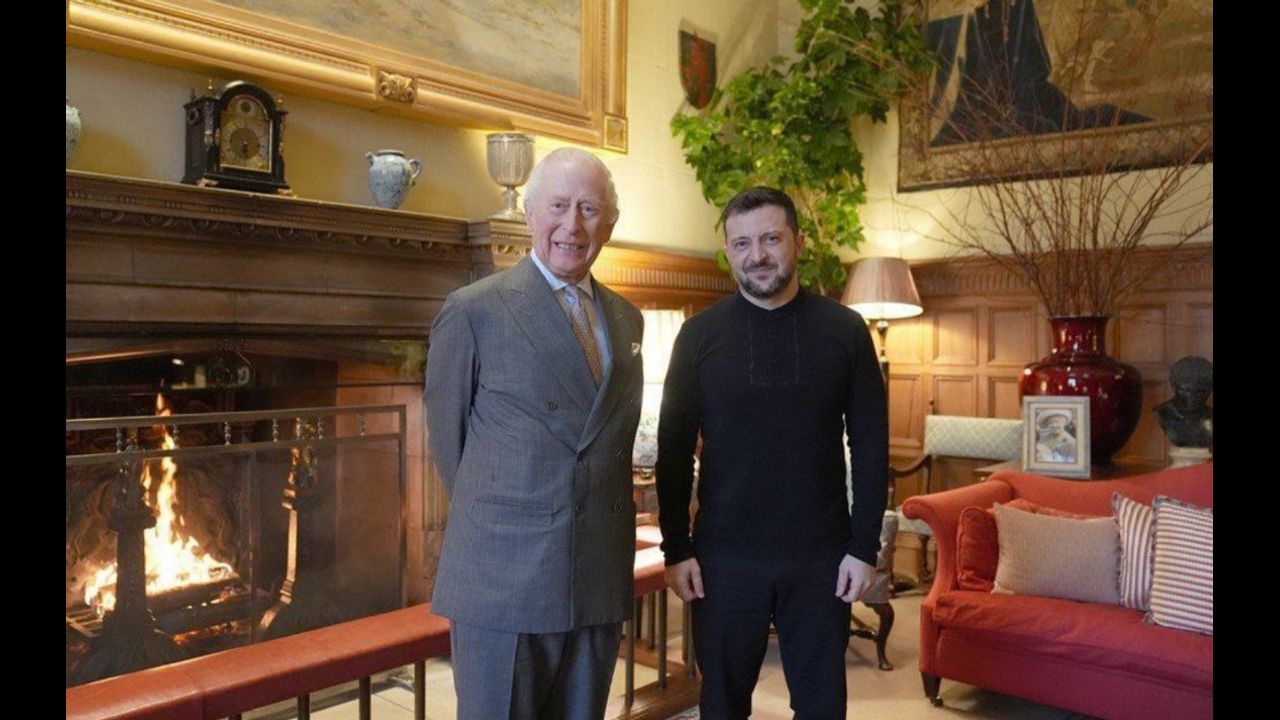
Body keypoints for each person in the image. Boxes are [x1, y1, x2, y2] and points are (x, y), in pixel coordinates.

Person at [424, 147, 645, 720]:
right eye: (558, 206)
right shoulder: (474, 310)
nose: (573, 225)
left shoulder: (628, 318)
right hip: (505, 576)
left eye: (589, 209)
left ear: (610, 223)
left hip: (597, 573)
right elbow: (450, 445)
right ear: (529, 214)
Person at [655, 186, 888, 720]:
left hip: (822, 559)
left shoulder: (846, 331)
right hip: (722, 560)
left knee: (822, 707)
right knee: (721, 705)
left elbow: (871, 446)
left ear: (798, 243)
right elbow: (673, 450)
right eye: (741, 243)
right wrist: (676, 548)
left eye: (770, 239)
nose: (756, 255)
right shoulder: (698, 336)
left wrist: (864, 547)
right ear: (728, 251)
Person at [1154, 356, 1213, 448]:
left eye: (1200, 392)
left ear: (1209, 390)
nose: (1192, 397)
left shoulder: (1210, 417)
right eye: (1186, 390)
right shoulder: (1161, 414)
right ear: (1174, 387)